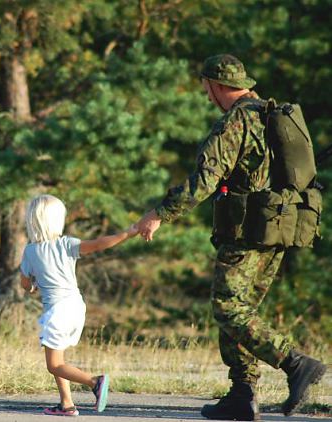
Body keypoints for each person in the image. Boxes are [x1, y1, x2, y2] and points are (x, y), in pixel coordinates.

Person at [134, 54, 327, 421]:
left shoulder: (236, 122)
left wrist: (159, 214)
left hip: (246, 231)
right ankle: (242, 394)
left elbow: (204, 181)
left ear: (216, 84)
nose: (207, 95)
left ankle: (296, 363)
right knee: (241, 310)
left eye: (207, 87)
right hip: (279, 226)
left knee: (228, 307)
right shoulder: (270, 115)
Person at [20, 194, 138, 416]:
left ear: (32, 221)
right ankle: (66, 404)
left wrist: (32, 286)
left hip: (57, 311)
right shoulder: (67, 244)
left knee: (53, 364)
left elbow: (24, 283)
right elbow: (98, 244)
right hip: (75, 305)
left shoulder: (30, 251)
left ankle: (95, 382)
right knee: (58, 357)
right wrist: (127, 232)